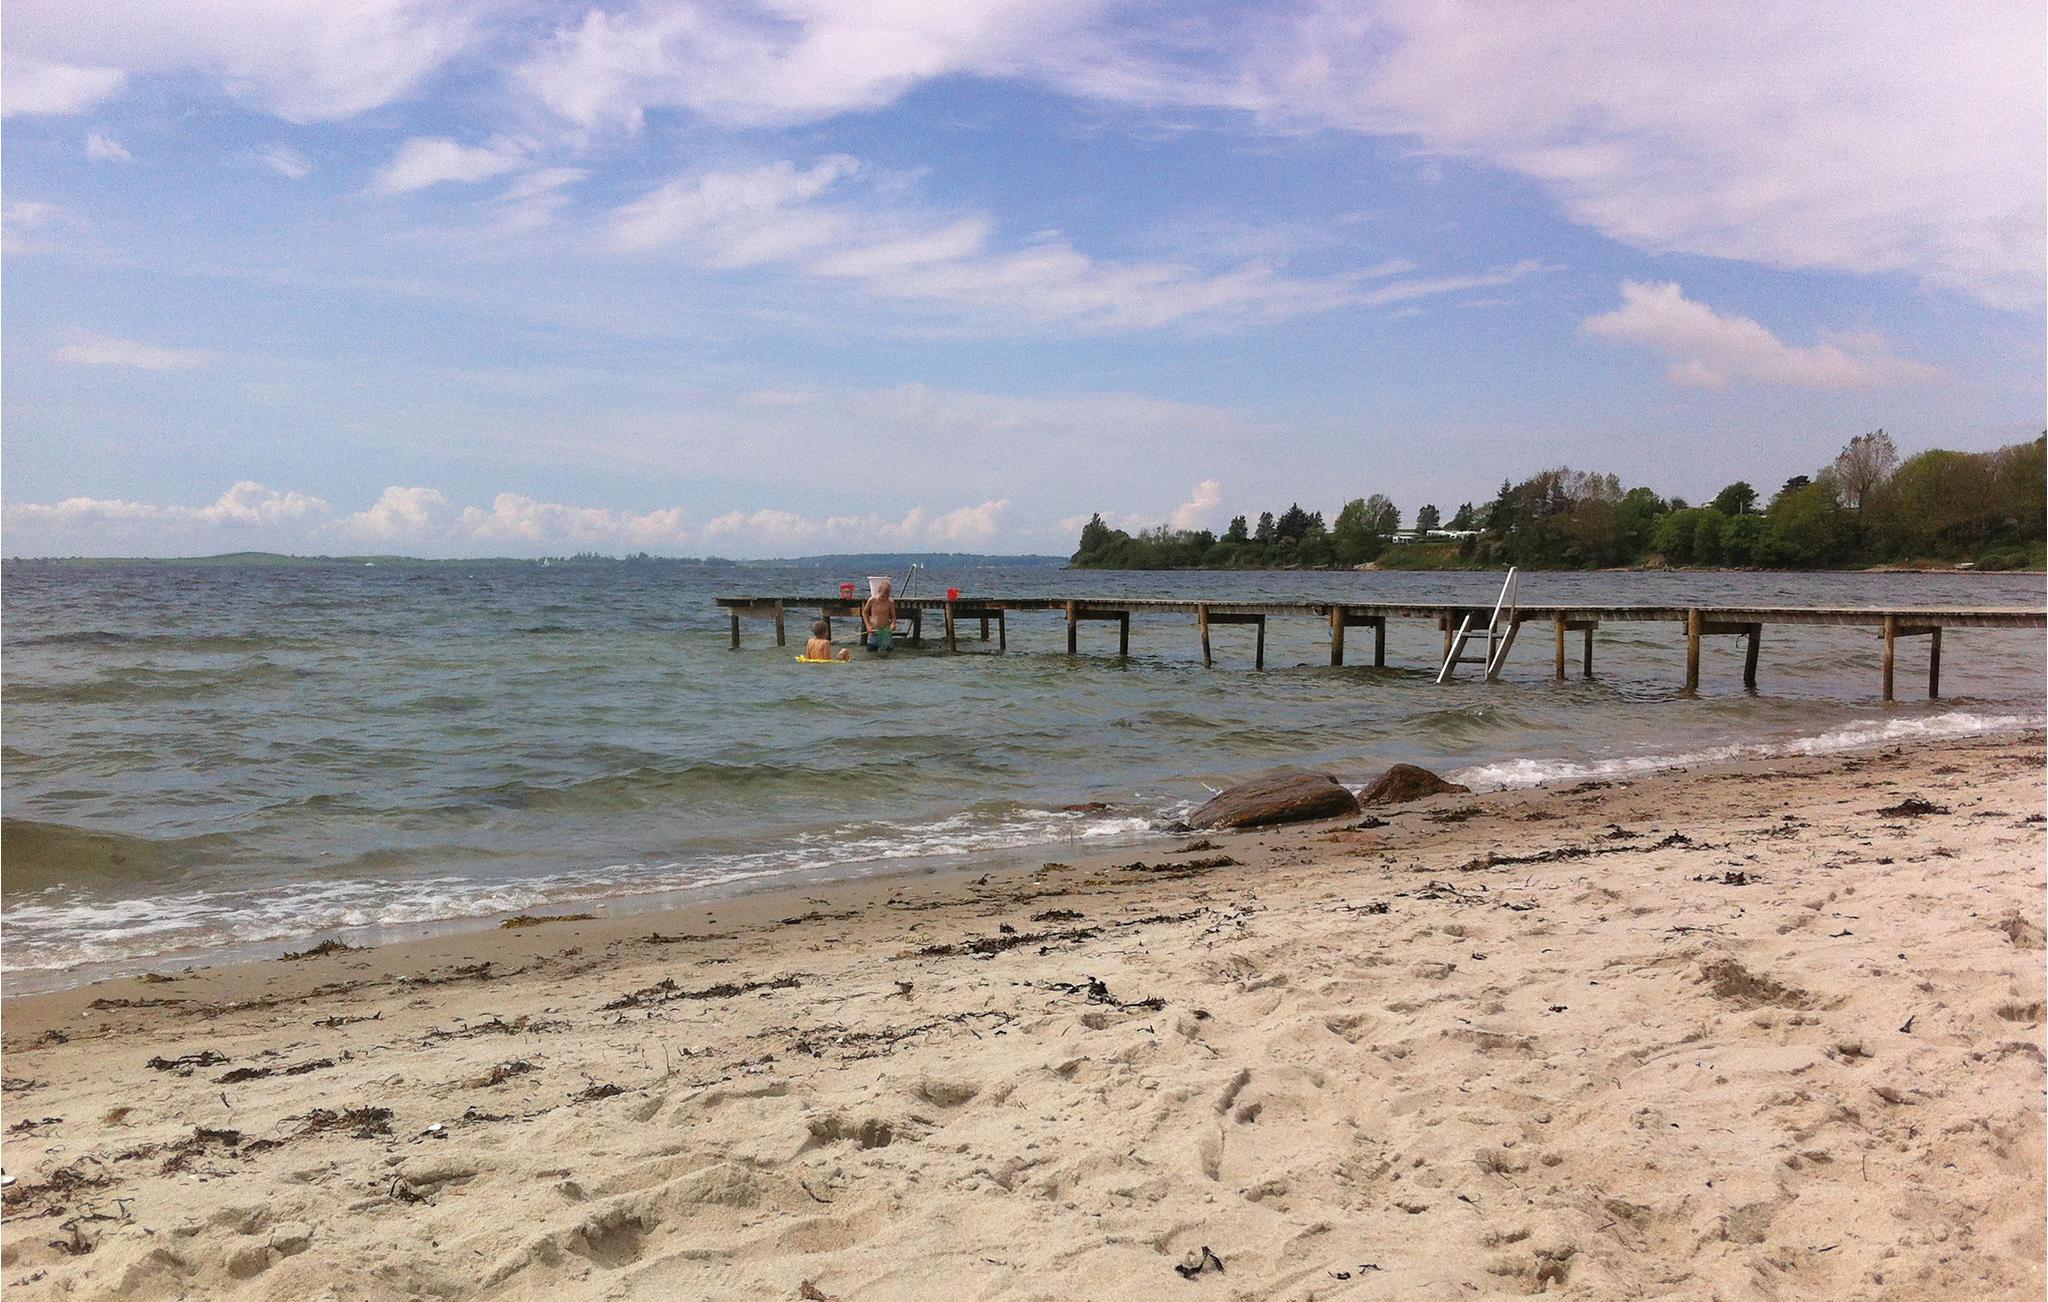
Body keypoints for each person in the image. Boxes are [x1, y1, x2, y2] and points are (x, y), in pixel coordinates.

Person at [862, 579, 898, 654]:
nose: (884, 598)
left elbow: (893, 617)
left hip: (886, 631)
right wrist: (868, 625)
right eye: (882, 596)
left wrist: (893, 624)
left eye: (886, 596)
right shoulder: (872, 600)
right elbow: (864, 612)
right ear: (879, 591)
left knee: (888, 654)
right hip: (874, 630)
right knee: (871, 654)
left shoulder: (890, 602)